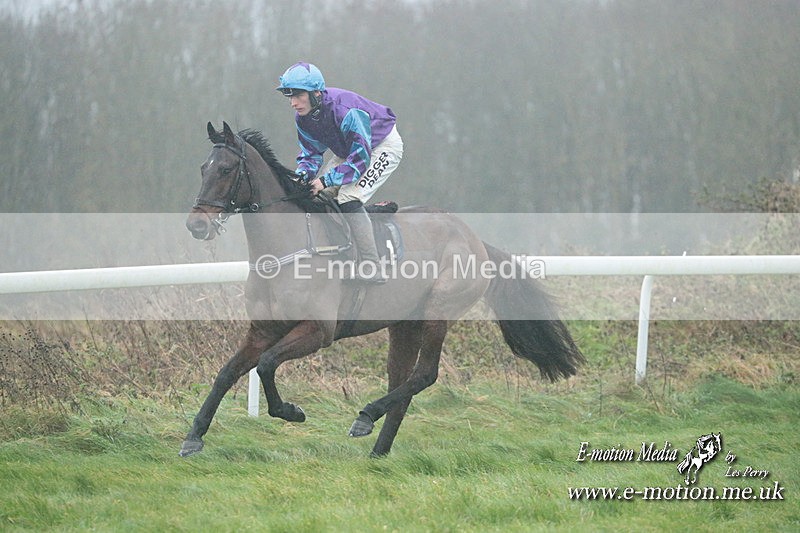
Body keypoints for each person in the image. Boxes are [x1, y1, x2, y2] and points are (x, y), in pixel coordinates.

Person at [276, 62, 403, 283]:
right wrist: (301, 179)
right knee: (317, 196)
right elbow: (311, 155)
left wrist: (325, 181)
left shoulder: (345, 111)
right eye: (290, 96)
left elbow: (360, 159)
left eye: (298, 96)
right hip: (348, 151)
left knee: (348, 197)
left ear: (316, 93)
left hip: (381, 147)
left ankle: (372, 265)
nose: (293, 103)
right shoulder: (303, 118)